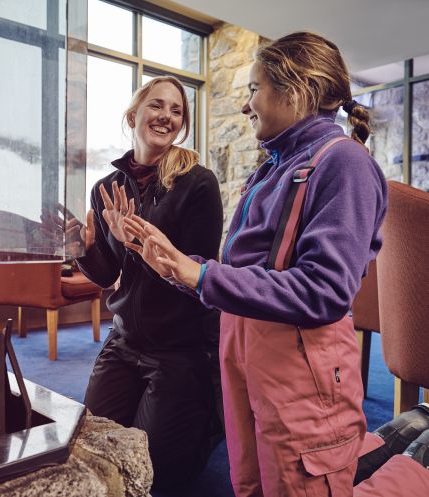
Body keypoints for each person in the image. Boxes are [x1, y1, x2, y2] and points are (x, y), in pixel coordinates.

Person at [124, 32, 388, 496]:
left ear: (298, 88)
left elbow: (323, 291)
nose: (246, 106)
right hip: (246, 356)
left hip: (300, 375)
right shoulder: (273, 167)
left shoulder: (344, 163)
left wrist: (201, 274)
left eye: (252, 89)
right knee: (250, 483)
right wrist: (179, 266)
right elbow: (246, 270)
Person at [75, 75, 224, 491]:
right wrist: (83, 247)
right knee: (92, 446)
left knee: (155, 473)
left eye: (177, 111)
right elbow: (106, 275)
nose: (166, 117)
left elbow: (196, 276)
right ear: (133, 116)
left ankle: (206, 422)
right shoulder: (106, 188)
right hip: (124, 341)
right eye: (157, 106)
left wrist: (139, 243)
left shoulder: (198, 182)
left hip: (178, 349)